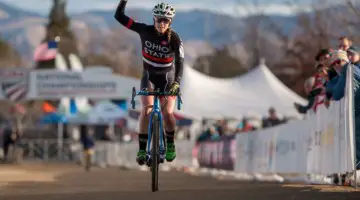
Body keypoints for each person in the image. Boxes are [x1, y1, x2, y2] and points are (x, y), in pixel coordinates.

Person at [114, 0, 184, 165]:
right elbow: (119, 16)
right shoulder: (144, 30)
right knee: (146, 110)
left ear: (170, 22)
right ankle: (142, 149)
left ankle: (171, 145)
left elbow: (180, 62)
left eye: (166, 20)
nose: (162, 23)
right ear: (154, 19)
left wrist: (177, 83)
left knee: (167, 113)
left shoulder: (175, 38)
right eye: (159, 19)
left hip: (168, 79)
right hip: (149, 77)